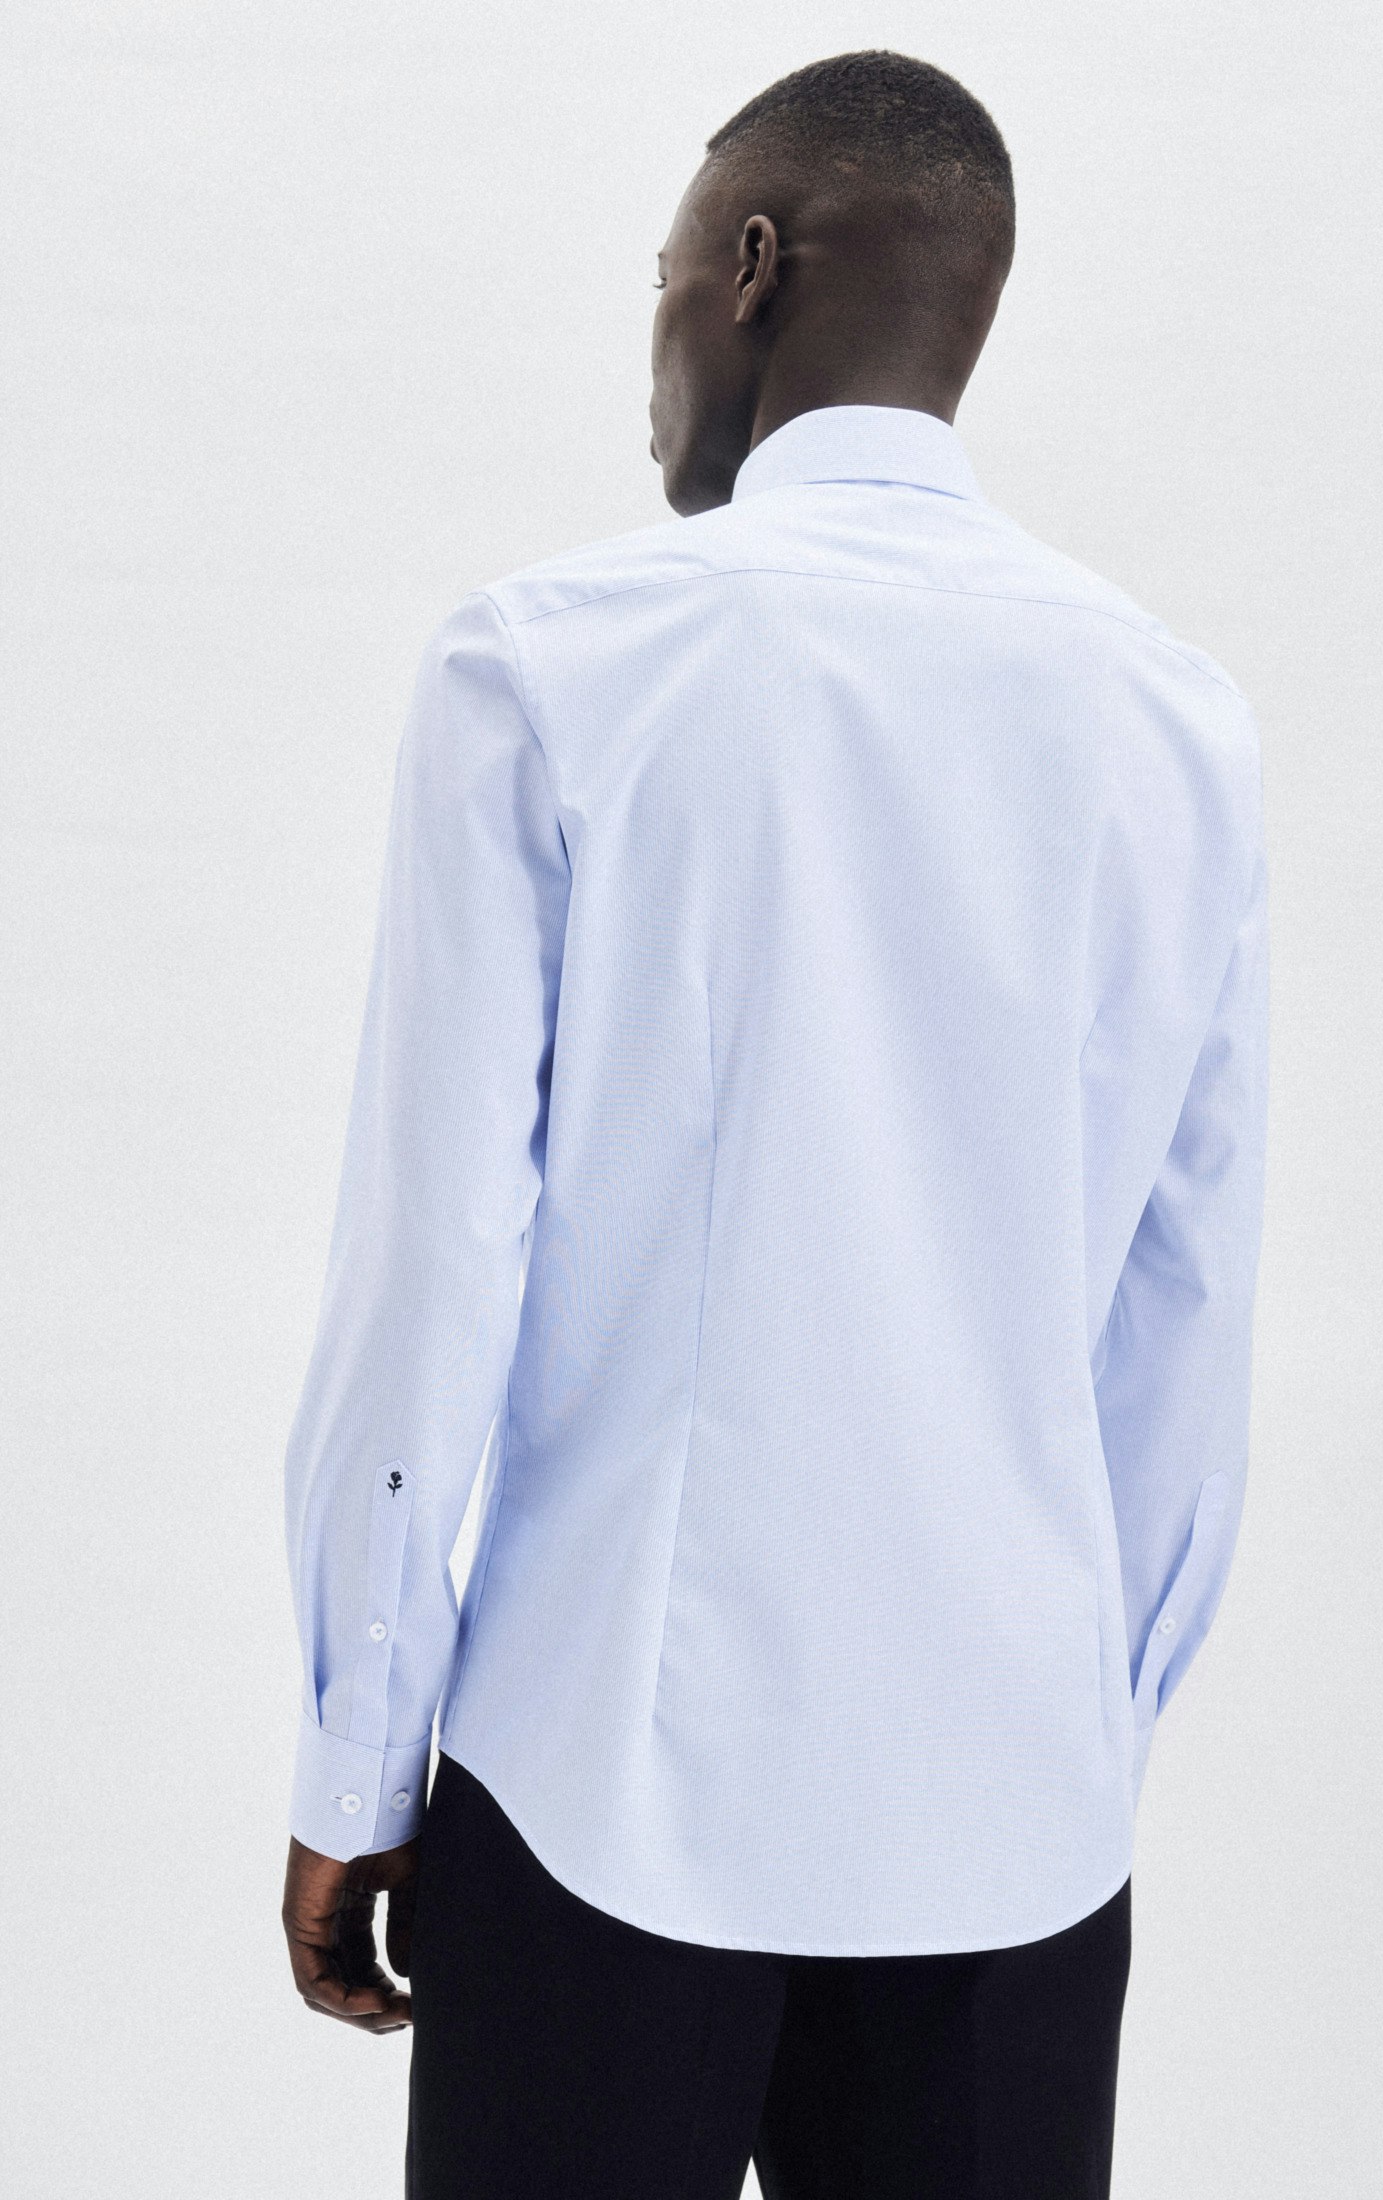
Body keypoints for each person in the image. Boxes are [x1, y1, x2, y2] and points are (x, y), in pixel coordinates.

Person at [279, 47, 1269, 2200]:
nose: (649, 355)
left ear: (750, 267)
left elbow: (434, 1265)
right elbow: (1186, 1322)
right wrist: (1078, 1740)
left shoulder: (549, 667)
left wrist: (358, 1750)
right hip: (1014, 1829)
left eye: (658, 280)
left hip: (596, 1795)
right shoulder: (1177, 720)